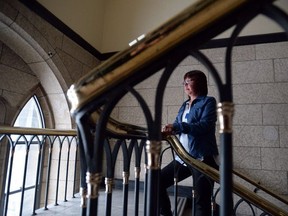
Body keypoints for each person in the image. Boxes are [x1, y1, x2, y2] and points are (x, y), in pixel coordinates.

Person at [161, 70, 219, 216]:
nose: (185, 84)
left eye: (189, 81)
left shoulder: (208, 101)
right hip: (183, 158)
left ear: (199, 82)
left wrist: (178, 127)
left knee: (201, 203)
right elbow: (177, 123)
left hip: (201, 159)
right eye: (184, 82)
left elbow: (204, 125)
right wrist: (170, 129)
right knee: (156, 180)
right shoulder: (185, 104)